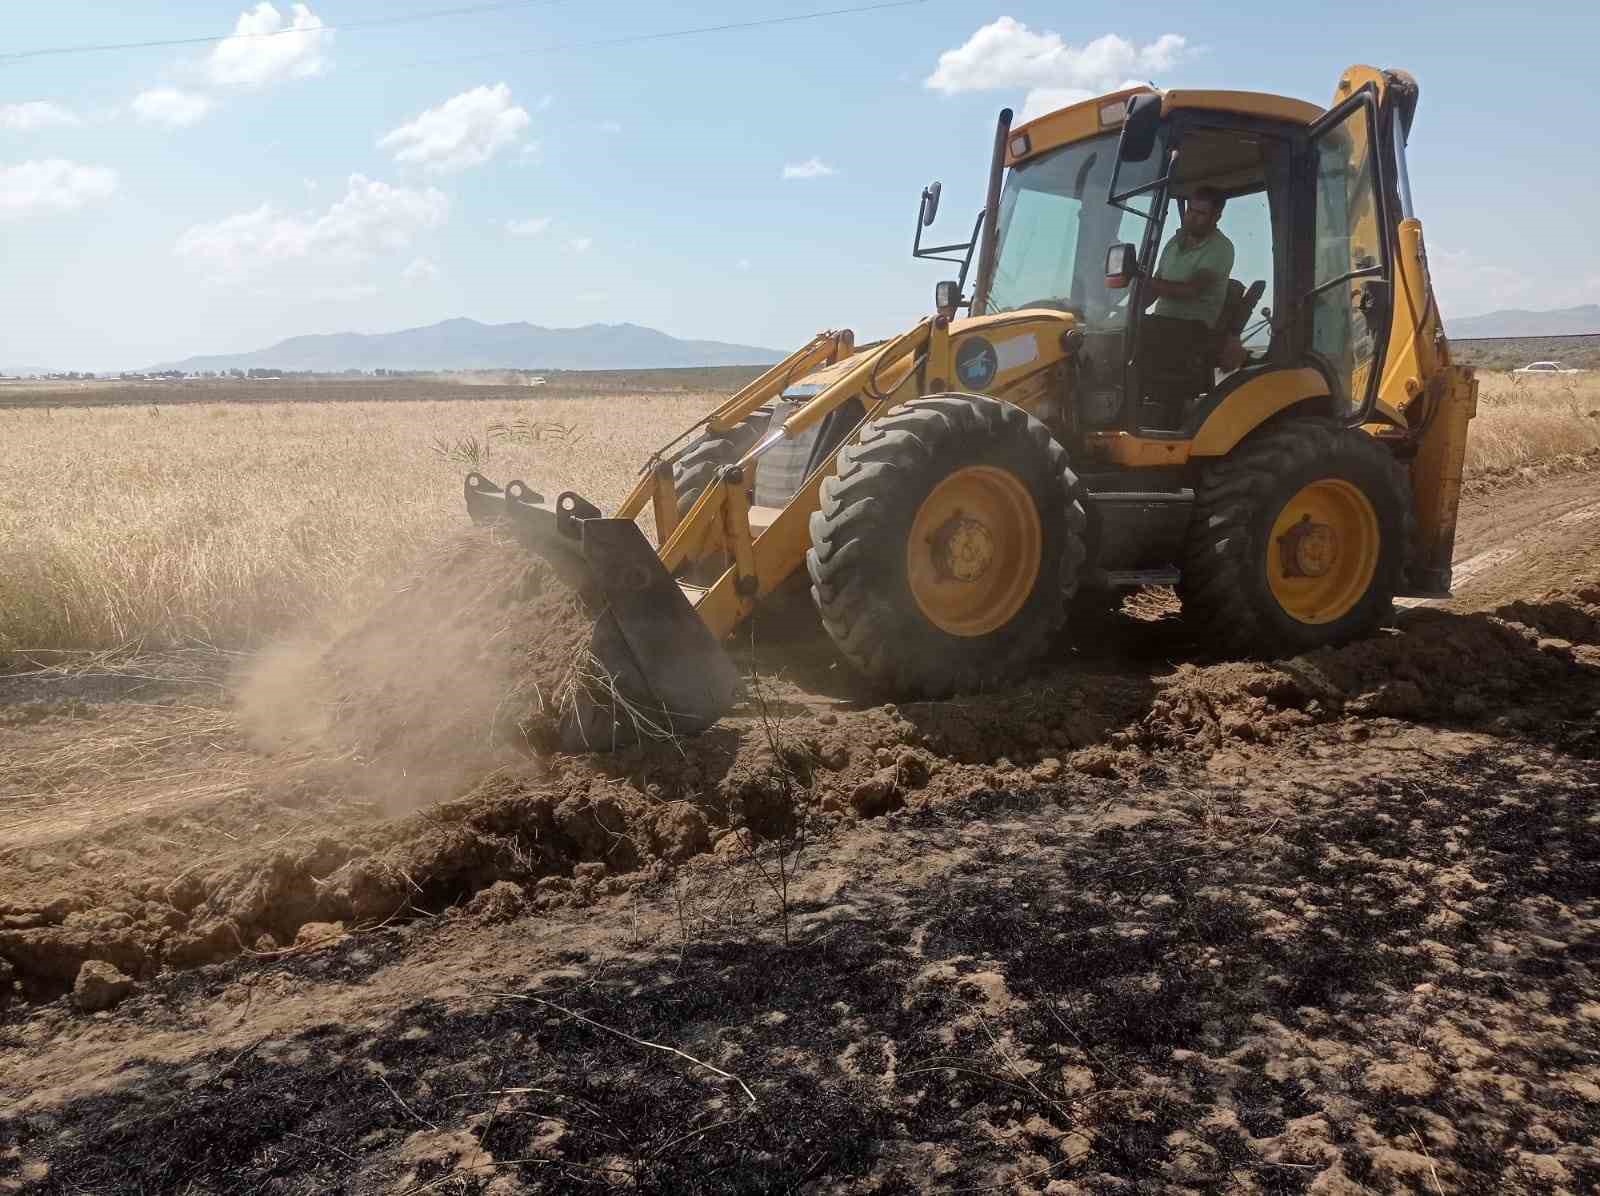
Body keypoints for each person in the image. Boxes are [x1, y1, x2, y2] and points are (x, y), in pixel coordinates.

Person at [1137, 186, 1235, 423]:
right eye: (1190, 210)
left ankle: (1154, 415)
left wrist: (1146, 281)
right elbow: (1155, 286)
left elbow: (1192, 290)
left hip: (1194, 329)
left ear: (1216, 216)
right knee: (1120, 329)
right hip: (1164, 325)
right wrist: (1130, 308)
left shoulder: (1221, 248)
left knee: (1142, 332)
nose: (1192, 216)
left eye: (1200, 213)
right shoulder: (1174, 242)